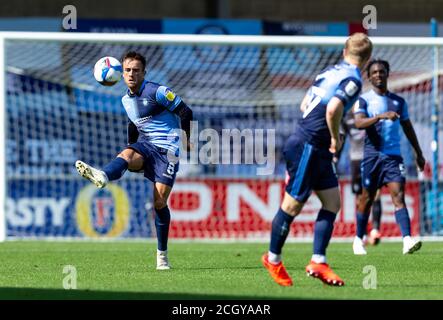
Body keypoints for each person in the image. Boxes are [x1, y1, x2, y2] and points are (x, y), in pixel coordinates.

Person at [261, 33, 372, 287]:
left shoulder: (329, 72)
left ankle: (318, 261)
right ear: (367, 59)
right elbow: (333, 108)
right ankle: (273, 258)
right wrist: (334, 137)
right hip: (309, 146)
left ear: (345, 50)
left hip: (315, 147)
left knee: (332, 203)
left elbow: (304, 105)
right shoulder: (353, 79)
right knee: (292, 207)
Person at [75, 51, 193, 270]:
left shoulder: (157, 91)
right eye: (127, 70)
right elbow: (133, 124)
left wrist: (186, 140)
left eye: (136, 70)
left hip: (168, 151)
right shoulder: (125, 100)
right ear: (121, 74)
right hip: (146, 146)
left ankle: (162, 255)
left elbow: (186, 112)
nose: (131, 74)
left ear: (144, 73)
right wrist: (131, 149)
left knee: (159, 203)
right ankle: (103, 176)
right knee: (126, 154)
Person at [352, 58, 425, 255]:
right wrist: (379, 116)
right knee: (366, 198)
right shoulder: (363, 100)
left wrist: (418, 152)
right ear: (369, 76)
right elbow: (358, 123)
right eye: (374, 72)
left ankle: (407, 240)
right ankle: (358, 239)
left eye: (381, 72)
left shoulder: (399, 102)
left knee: (398, 195)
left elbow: (408, 127)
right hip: (372, 156)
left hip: (393, 157)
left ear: (387, 74)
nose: (378, 75)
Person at [334, 110, 383, 246]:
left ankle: (375, 230)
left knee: (376, 194)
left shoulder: (370, 113)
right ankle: (364, 233)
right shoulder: (346, 118)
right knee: (360, 198)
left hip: (372, 157)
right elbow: (342, 137)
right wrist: (336, 156)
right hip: (355, 160)